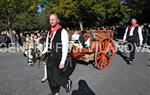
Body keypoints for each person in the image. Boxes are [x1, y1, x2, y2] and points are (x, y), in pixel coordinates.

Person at [42, 14, 72, 95]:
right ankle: (55, 93)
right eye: (50, 20)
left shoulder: (63, 31)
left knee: (56, 76)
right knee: (50, 77)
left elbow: (65, 47)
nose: (51, 21)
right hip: (50, 57)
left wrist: (63, 61)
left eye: (53, 19)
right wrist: (43, 53)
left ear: (57, 20)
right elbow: (47, 45)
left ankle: (67, 83)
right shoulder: (49, 32)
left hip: (58, 58)